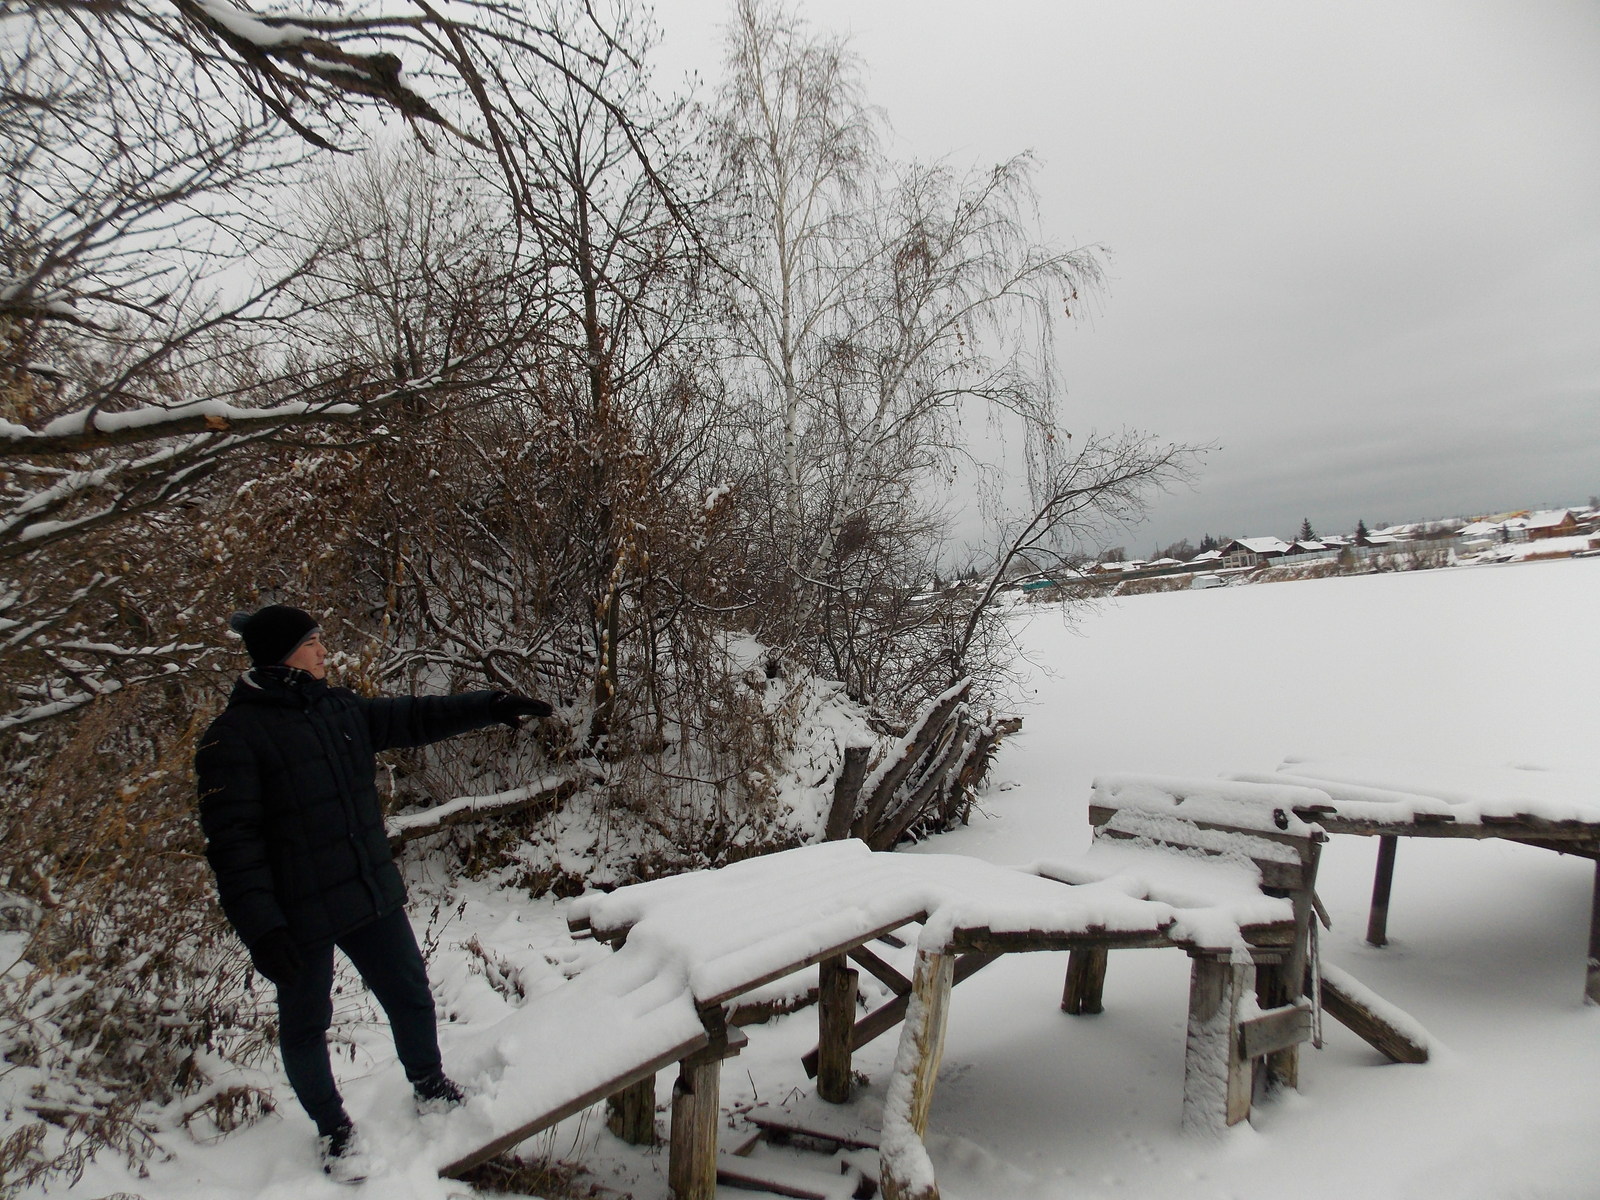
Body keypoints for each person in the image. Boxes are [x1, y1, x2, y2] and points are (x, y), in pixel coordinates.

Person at [195, 604, 551, 1179]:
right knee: (307, 1026)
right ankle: (335, 1132)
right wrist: (261, 927)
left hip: (366, 892)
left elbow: (414, 717)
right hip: (296, 915)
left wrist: (490, 704)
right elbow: (233, 847)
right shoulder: (231, 738)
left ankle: (430, 1085)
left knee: (411, 994)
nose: (323, 652)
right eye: (313, 643)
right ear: (285, 653)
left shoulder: (338, 709)